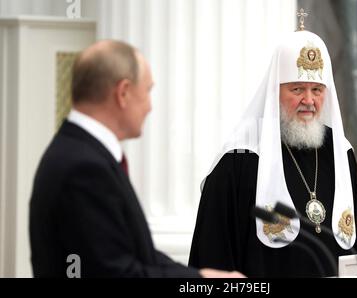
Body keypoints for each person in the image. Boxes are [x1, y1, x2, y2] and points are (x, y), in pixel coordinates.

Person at [29, 40, 244, 278]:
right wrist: (200, 281)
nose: (150, 106)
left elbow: (135, 253)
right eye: (148, 91)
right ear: (123, 93)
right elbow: (114, 271)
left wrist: (205, 276)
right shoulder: (83, 167)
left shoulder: (81, 151)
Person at [189, 23, 357, 277]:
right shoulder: (239, 160)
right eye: (297, 89)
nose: (309, 101)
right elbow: (215, 254)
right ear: (275, 91)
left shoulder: (341, 153)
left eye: (317, 90)